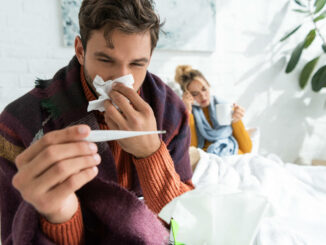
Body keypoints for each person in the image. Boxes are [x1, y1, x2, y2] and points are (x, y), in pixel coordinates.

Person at [0, 1, 194, 244]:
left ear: (150, 57)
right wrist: (58, 214)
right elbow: (13, 235)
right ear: (80, 51)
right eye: (106, 60)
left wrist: (151, 154)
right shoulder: (19, 122)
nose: (122, 80)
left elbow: (187, 222)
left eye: (137, 63)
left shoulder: (170, 110)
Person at [175, 65, 252, 156]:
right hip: (207, 157)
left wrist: (236, 120)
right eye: (195, 94)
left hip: (232, 154)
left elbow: (247, 149)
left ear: (208, 86)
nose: (203, 96)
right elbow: (192, 148)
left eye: (204, 89)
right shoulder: (188, 115)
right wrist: (188, 112)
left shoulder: (225, 107)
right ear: (188, 96)